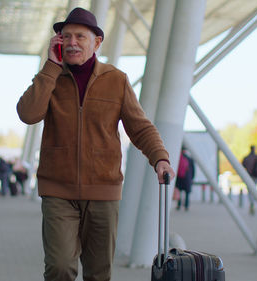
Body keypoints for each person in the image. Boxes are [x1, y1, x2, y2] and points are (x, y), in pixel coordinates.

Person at [16, 7, 175, 281]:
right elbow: (28, 114)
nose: (72, 42)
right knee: (60, 267)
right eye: (66, 36)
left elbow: (140, 126)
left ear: (97, 42)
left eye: (80, 36)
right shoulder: (51, 78)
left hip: (104, 192)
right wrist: (51, 67)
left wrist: (160, 158)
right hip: (58, 191)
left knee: (99, 274)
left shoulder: (116, 80)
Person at [242, 145, 257, 215]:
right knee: (254, 190)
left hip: (249, 176)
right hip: (256, 176)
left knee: (250, 191)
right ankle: (253, 203)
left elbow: (243, 166)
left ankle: (252, 203)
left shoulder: (247, 158)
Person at [175, 147, 195, 211]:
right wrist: (192, 178)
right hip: (187, 178)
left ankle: (179, 205)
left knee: (179, 192)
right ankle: (186, 206)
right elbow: (193, 170)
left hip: (179, 178)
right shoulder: (189, 159)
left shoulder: (178, 158)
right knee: (187, 193)